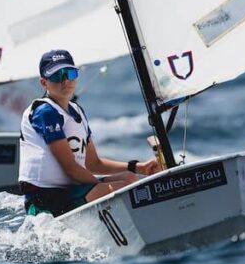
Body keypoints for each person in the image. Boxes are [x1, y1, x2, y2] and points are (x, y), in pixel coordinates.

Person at [19, 49, 160, 217]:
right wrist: (106, 189)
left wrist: (138, 167)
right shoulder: (45, 112)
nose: (65, 81)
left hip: (70, 190)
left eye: (70, 74)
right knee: (124, 189)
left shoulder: (77, 111)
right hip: (44, 200)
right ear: (44, 82)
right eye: (57, 76)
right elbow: (71, 169)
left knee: (130, 179)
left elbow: (93, 164)